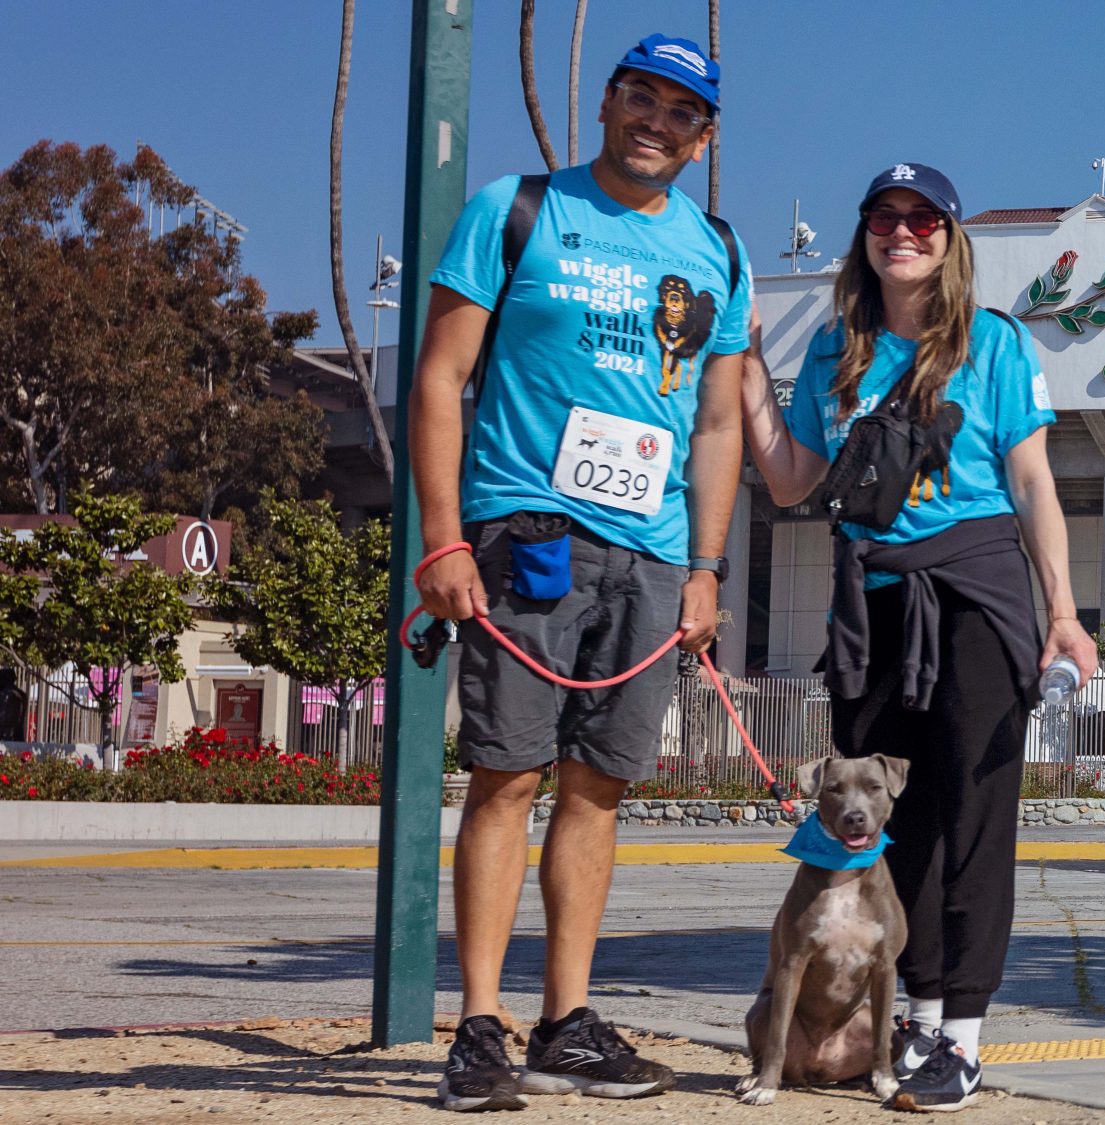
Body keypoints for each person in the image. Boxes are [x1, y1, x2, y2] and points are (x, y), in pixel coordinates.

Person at [408, 33, 748, 1113]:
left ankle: (565, 1023)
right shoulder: (516, 210)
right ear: (605, 104)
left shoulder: (715, 252)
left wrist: (704, 569)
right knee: (507, 776)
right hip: (527, 535)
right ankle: (475, 1030)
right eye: (639, 97)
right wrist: (444, 537)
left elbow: (715, 427)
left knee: (599, 789)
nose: (656, 120)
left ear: (702, 140)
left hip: (650, 556)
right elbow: (440, 377)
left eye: (680, 111)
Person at [741, 163, 1097, 1111]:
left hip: (977, 593)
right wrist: (744, 370)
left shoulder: (994, 344)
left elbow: (1032, 485)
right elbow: (787, 482)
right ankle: (918, 1013)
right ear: (863, 235)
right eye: (885, 217)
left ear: (949, 238)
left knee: (976, 820)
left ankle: (962, 1039)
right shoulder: (833, 352)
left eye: (923, 219)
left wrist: (1062, 613)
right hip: (874, 602)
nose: (904, 232)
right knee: (893, 825)